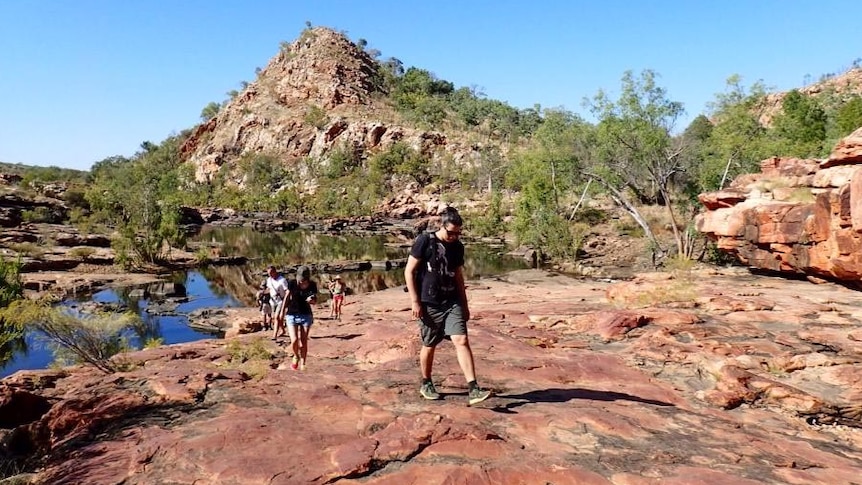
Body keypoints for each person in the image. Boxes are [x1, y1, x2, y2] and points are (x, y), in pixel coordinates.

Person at [404, 206, 491, 406]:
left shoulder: (458, 246)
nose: (454, 236)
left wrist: (465, 304)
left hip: (451, 300)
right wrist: (415, 301)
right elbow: (409, 271)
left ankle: (474, 388)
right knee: (429, 344)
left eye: (458, 233)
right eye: (451, 232)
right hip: (429, 302)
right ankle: (426, 382)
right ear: (442, 226)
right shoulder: (425, 241)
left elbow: (459, 276)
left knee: (461, 339)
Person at [284, 265, 318, 370]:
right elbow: (286, 297)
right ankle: (296, 355)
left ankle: (303, 363)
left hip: (305, 315)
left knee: (303, 342)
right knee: (294, 340)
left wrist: (312, 301)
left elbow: (315, 300)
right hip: (291, 314)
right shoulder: (292, 283)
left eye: (302, 279)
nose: (300, 281)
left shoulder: (312, 285)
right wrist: (281, 312)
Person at [266, 265, 289, 340]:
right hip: (273, 301)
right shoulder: (269, 280)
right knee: (278, 318)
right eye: (268, 273)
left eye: (271, 273)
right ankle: (282, 330)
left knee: (276, 317)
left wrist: (287, 301)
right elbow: (269, 289)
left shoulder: (282, 280)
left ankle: (274, 335)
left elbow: (287, 291)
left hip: (280, 300)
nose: (270, 275)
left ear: (275, 272)